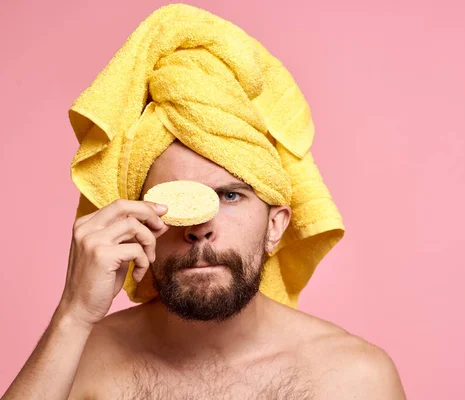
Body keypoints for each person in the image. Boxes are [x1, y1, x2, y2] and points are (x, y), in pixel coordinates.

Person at [2, 5, 406, 400]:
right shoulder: (80, 364)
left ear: (276, 226)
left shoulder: (354, 380)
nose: (199, 226)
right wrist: (72, 316)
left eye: (230, 196)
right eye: (170, 200)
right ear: (134, 222)